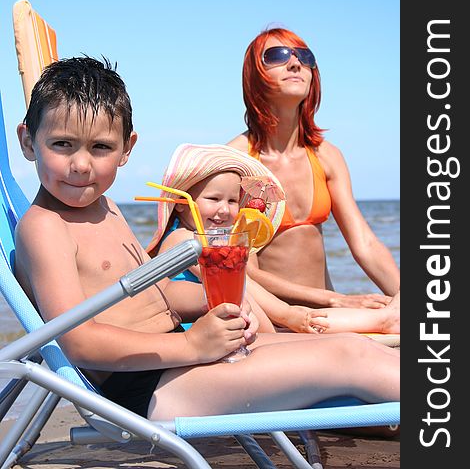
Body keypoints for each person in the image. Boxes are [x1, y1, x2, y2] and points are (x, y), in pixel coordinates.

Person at [14, 56, 399, 423]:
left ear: (126, 149)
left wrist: (217, 302)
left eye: (100, 147)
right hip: (144, 387)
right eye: (62, 144)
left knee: (356, 345)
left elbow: (158, 294)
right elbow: (77, 342)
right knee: (347, 356)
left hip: (172, 359)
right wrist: (193, 346)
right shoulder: (45, 227)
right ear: (29, 142)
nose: (81, 165)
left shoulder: (107, 208)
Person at [228, 27, 400, 309]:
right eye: (277, 55)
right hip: (274, 319)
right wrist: (337, 299)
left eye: (305, 56)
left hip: (330, 311)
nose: (295, 63)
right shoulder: (237, 161)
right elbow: (245, 270)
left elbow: (365, 244)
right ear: (254, 74)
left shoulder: (326, 156)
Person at [147, 143, 399, 336]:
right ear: (180, 204)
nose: (224, 210)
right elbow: (241, 283)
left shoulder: (215, 241)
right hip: (199, 333)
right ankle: (384, 320)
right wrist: (286, 314)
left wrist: (286, 317)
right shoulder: (181, 239)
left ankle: (384, 319)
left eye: (232, 201)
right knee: (300, 326)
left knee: (303, 324)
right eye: (213, 200)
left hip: (228, 325)